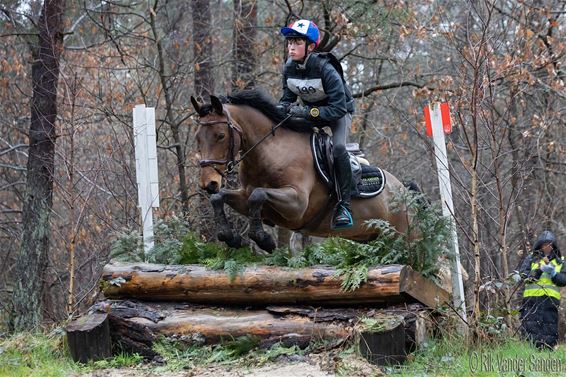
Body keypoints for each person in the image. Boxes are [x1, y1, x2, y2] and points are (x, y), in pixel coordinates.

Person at [279, 19, 356, 229]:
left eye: (297, 42)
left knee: (338, 148)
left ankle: (344, 206)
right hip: (313, 115)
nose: (291, 47)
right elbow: (286, 101)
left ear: (311, 46)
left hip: (339, 114)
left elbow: (338, 109)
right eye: (289, 42)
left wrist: (305, 112)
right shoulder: (289, 69)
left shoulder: (326, 69)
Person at [518, 230, 566, 349]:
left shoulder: (560, 261)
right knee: (530, 330)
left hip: (550, 302)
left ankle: (548, 355)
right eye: (544, 244)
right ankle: (530, 354)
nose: (546, 247)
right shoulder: (531, 259)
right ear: (539, 245)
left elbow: (564, 280)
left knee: (549, 330)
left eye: (549, 244)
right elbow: (523, 277)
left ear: (553, 245)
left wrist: (554, 273)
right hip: (531, 301)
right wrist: (539, 271)